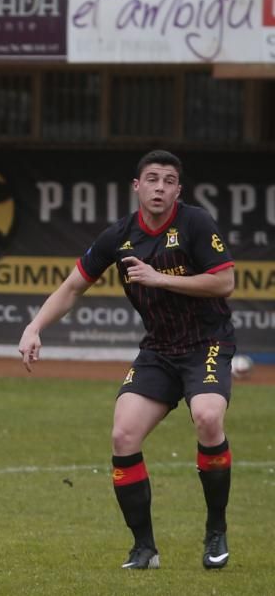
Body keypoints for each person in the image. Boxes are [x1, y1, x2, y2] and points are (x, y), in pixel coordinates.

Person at [17, 150, 236, 571]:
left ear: (178, 190)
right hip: (158, 349)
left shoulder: (195, 223)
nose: (159, 187)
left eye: (168, 180)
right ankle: (144, 548)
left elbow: (224, 281)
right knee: (123, 436)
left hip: (207, 343)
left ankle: (215, 529)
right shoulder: (118, 236)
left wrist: (160, 278)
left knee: (208, 417)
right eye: (151, 179)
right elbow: (73, 287)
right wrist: (34, 327)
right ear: (136, 186)